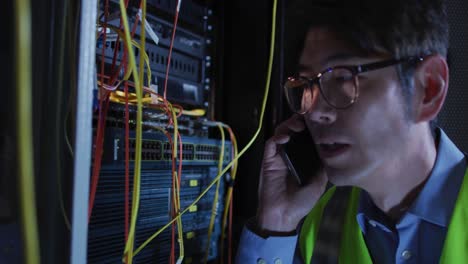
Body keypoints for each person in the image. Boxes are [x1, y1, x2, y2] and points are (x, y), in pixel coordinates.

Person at [236, 0, 468, 263]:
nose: (313, 111)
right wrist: (276, 223)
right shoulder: (320, 221)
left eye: (344, 78)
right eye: (308, 84)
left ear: (428, 89)